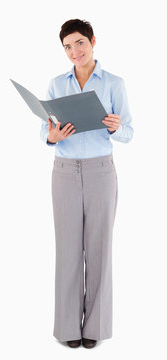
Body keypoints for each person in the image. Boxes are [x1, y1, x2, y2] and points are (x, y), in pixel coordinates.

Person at [40, 19, 133, 349]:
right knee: (67, 251)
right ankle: (67, 328)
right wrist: (51, 136)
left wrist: (113, 128)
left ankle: (95, 325)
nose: (74, 51)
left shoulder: (113, 83)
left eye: (79, 43)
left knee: (99, 250)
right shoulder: (56, 84)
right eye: (67, 47)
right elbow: (45, 131)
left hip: (100, 173)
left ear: (93, 41)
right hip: (64, 172)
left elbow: (128, 132)